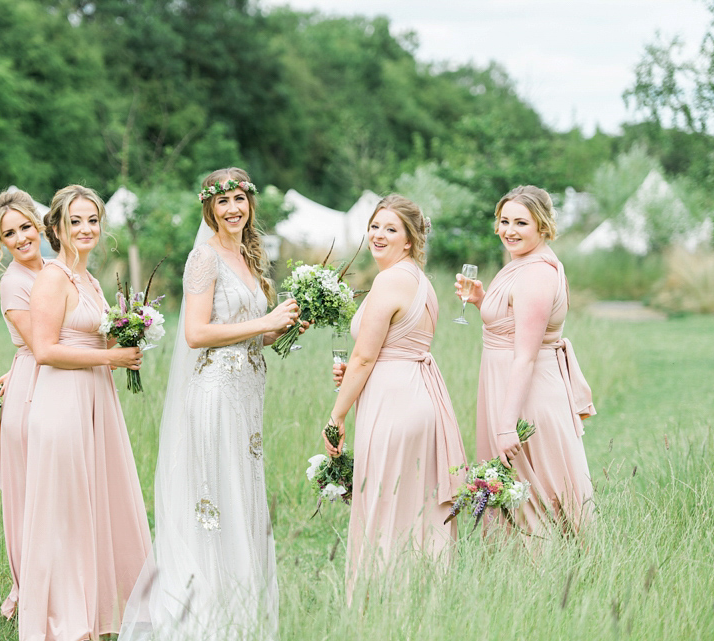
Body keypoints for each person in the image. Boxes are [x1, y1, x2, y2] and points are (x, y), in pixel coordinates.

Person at [119, 168, 301, 641]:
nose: (233, 209)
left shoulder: (246, 254)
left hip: (247, 398)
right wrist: (263, 322)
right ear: (209, 209)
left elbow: (243, 325)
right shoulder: (203, 258)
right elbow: (196, 333)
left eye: (239, 199)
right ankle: (206, 613)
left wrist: (277, 327)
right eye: (223, 203)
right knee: (215, 500)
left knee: (240, 494)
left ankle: (241, 605)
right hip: (216, 395)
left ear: (250, 203)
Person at [18, 184, 151, 641]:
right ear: (56, 228)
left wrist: (130, 333)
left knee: (94, 506)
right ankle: (62, 620)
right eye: (75, 221)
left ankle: (96, 612)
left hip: (95, 399)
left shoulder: (91, 280)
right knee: (65, 514)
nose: (86, 228)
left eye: (92, 219)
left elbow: (96, 337)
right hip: (62, 404)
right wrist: (112, 359)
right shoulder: (52, 278)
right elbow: (45, 350)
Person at [326, 194, 467, 598]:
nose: (379, 235)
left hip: (395, 404)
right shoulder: (420, 280)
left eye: (391, 229)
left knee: (385, 505)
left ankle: (381, 601)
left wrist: (336, 416)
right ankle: (423, 598)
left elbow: (368, 355)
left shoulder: (389, 280)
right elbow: (388, 350)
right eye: (375, 226)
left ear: (410, 239)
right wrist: (350, 373)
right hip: (417, 396)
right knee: (413, 508)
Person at [457, 185, 595, 535]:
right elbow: (514, 322)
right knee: (516, 490)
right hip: (506, 388)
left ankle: (555, 574)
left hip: (528, 394)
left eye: (521, 222)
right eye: (504, 221)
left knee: (539, 491)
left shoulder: (537, 273)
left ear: (543, 226)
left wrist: (506, 425)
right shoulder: (520, 263)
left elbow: (526, 356)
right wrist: (482, 301)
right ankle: (518, 577)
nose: (509, 230)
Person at [0, 188, 46, 619]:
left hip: (55, 379)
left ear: (40, 224)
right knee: (33, 496)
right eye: (10, 233)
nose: (22, 238)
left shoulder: (58, 269)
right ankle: (32, 589)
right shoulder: (14, 282)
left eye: (26, 226)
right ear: (1, 242)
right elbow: (41, 346)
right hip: (34, 391)